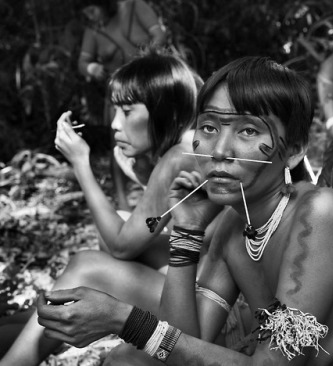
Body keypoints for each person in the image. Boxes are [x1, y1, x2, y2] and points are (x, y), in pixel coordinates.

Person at [31, 56, 333, 365]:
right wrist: (185, 233)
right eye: (211, 127)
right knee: (129, 360)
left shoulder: (320, 214)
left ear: (295, 149)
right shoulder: (236, 227)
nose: (218, 151)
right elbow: (184, 344)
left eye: (248, 131)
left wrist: (122, 318)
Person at [0, 47, 207, 365]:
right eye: (115, 111)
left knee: (86, 266)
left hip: (212, 309)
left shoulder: (178, 159)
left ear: (163, 112)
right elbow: (126, 234)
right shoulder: (186, 147)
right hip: (196, 280)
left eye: (127, 112)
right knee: (119, 221)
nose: (114, 124)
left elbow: (121, 247)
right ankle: (36, 332)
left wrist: (80, 163)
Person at [78, 0, 169, 210]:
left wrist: (143, 64)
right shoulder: (93, 30)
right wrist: (92, 68)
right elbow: (82, 62)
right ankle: (122, 200)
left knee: (161, 137)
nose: (90, 15)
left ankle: (161, 194)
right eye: (85, 11)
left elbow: (160, 35)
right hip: (118, 93)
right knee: (117, 143)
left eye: (92, 8)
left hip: (149, 86)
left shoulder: (135, 7)